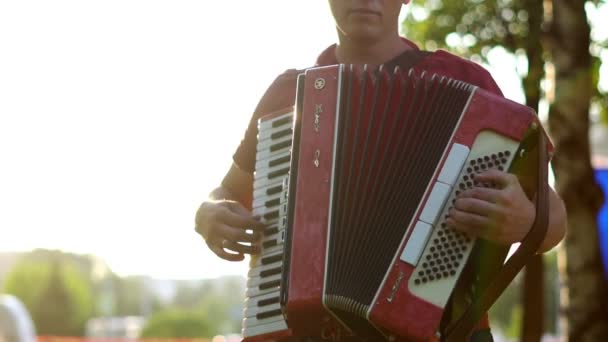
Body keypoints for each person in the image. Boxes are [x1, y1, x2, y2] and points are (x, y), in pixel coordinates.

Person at [194, 0, 568, 340]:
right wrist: (208, 214)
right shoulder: (287, 95)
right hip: (304, 330)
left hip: (446, 330)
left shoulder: (471, 85)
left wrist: (526, 221)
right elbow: (228, 192)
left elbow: (555, 224)